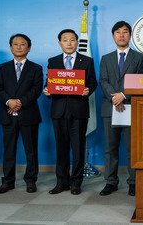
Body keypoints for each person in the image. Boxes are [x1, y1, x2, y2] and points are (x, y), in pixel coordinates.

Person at [43, 29, 97, 195]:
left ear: (76, 42)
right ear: (60, 43)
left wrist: (88, 90)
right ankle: (62, 182)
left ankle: (76, 183)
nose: (69, 43)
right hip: (59, 111)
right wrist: (47, 90)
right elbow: (49, 82)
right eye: (65, 40)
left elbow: (92, 82)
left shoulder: (86, 61)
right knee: (61, 148)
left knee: (78, 148)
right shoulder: (53, 61)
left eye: (72, 39)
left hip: (79, 111)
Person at [0, 34, 43, 194]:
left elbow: (36, 90)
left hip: (28, 114)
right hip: (7, 113)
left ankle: (31, 180)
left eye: (23, 44)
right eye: (16, 44)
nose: (19, 47)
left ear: (29, 48)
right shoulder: (3, 67)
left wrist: (20, 102)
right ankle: (8, 181)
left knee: (31, 150)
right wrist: (9, 101)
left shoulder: (36, 68)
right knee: (8, 149)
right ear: (11, 47)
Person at [99, 21, 142, 197]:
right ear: (113, 35)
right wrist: (114, 97)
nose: (121, 35)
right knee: (111, 147)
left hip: (131, 107)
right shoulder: (106, 58)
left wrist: (123, 95)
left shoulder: (139, 57)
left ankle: (134, 182)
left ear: (130, 35)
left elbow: (140, 81)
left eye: (125, 32)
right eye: (118, 32)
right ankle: (111, 182)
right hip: (110, 108)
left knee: (133, 148)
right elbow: (103, 81)